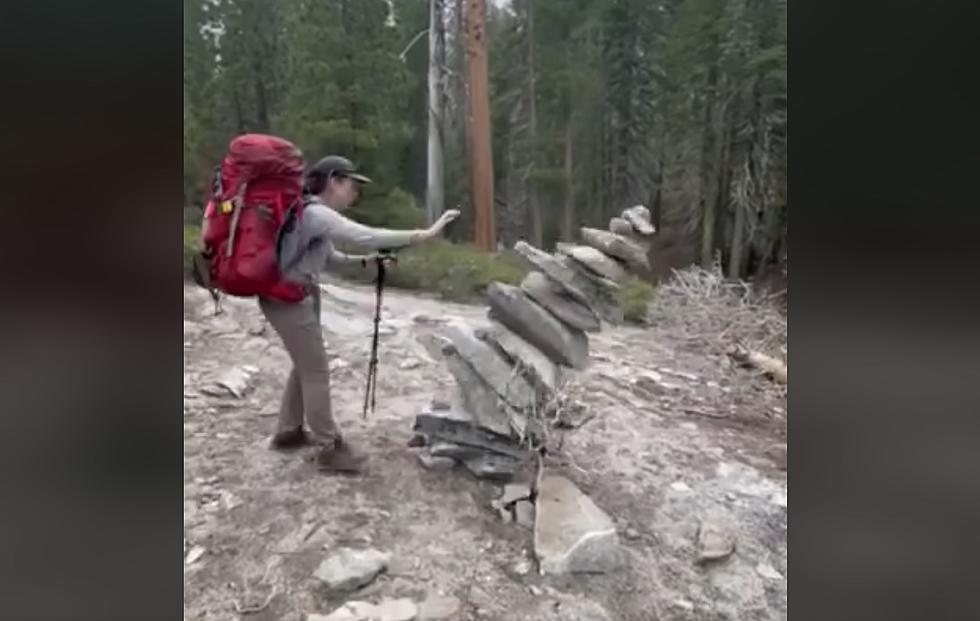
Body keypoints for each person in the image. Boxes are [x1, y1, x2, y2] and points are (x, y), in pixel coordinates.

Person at [262, 155, 459, 474]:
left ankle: (288, 433)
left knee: (306, 365)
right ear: (332, 182)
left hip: (297, 293)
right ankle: (329, 448)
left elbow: (333, 259)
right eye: (350, 184)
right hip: (287, 297)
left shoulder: (310, 215)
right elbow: (365, 234)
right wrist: (423, 234)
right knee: (316, 371)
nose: (355, 192)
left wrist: (369, 261)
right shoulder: (316, 213)